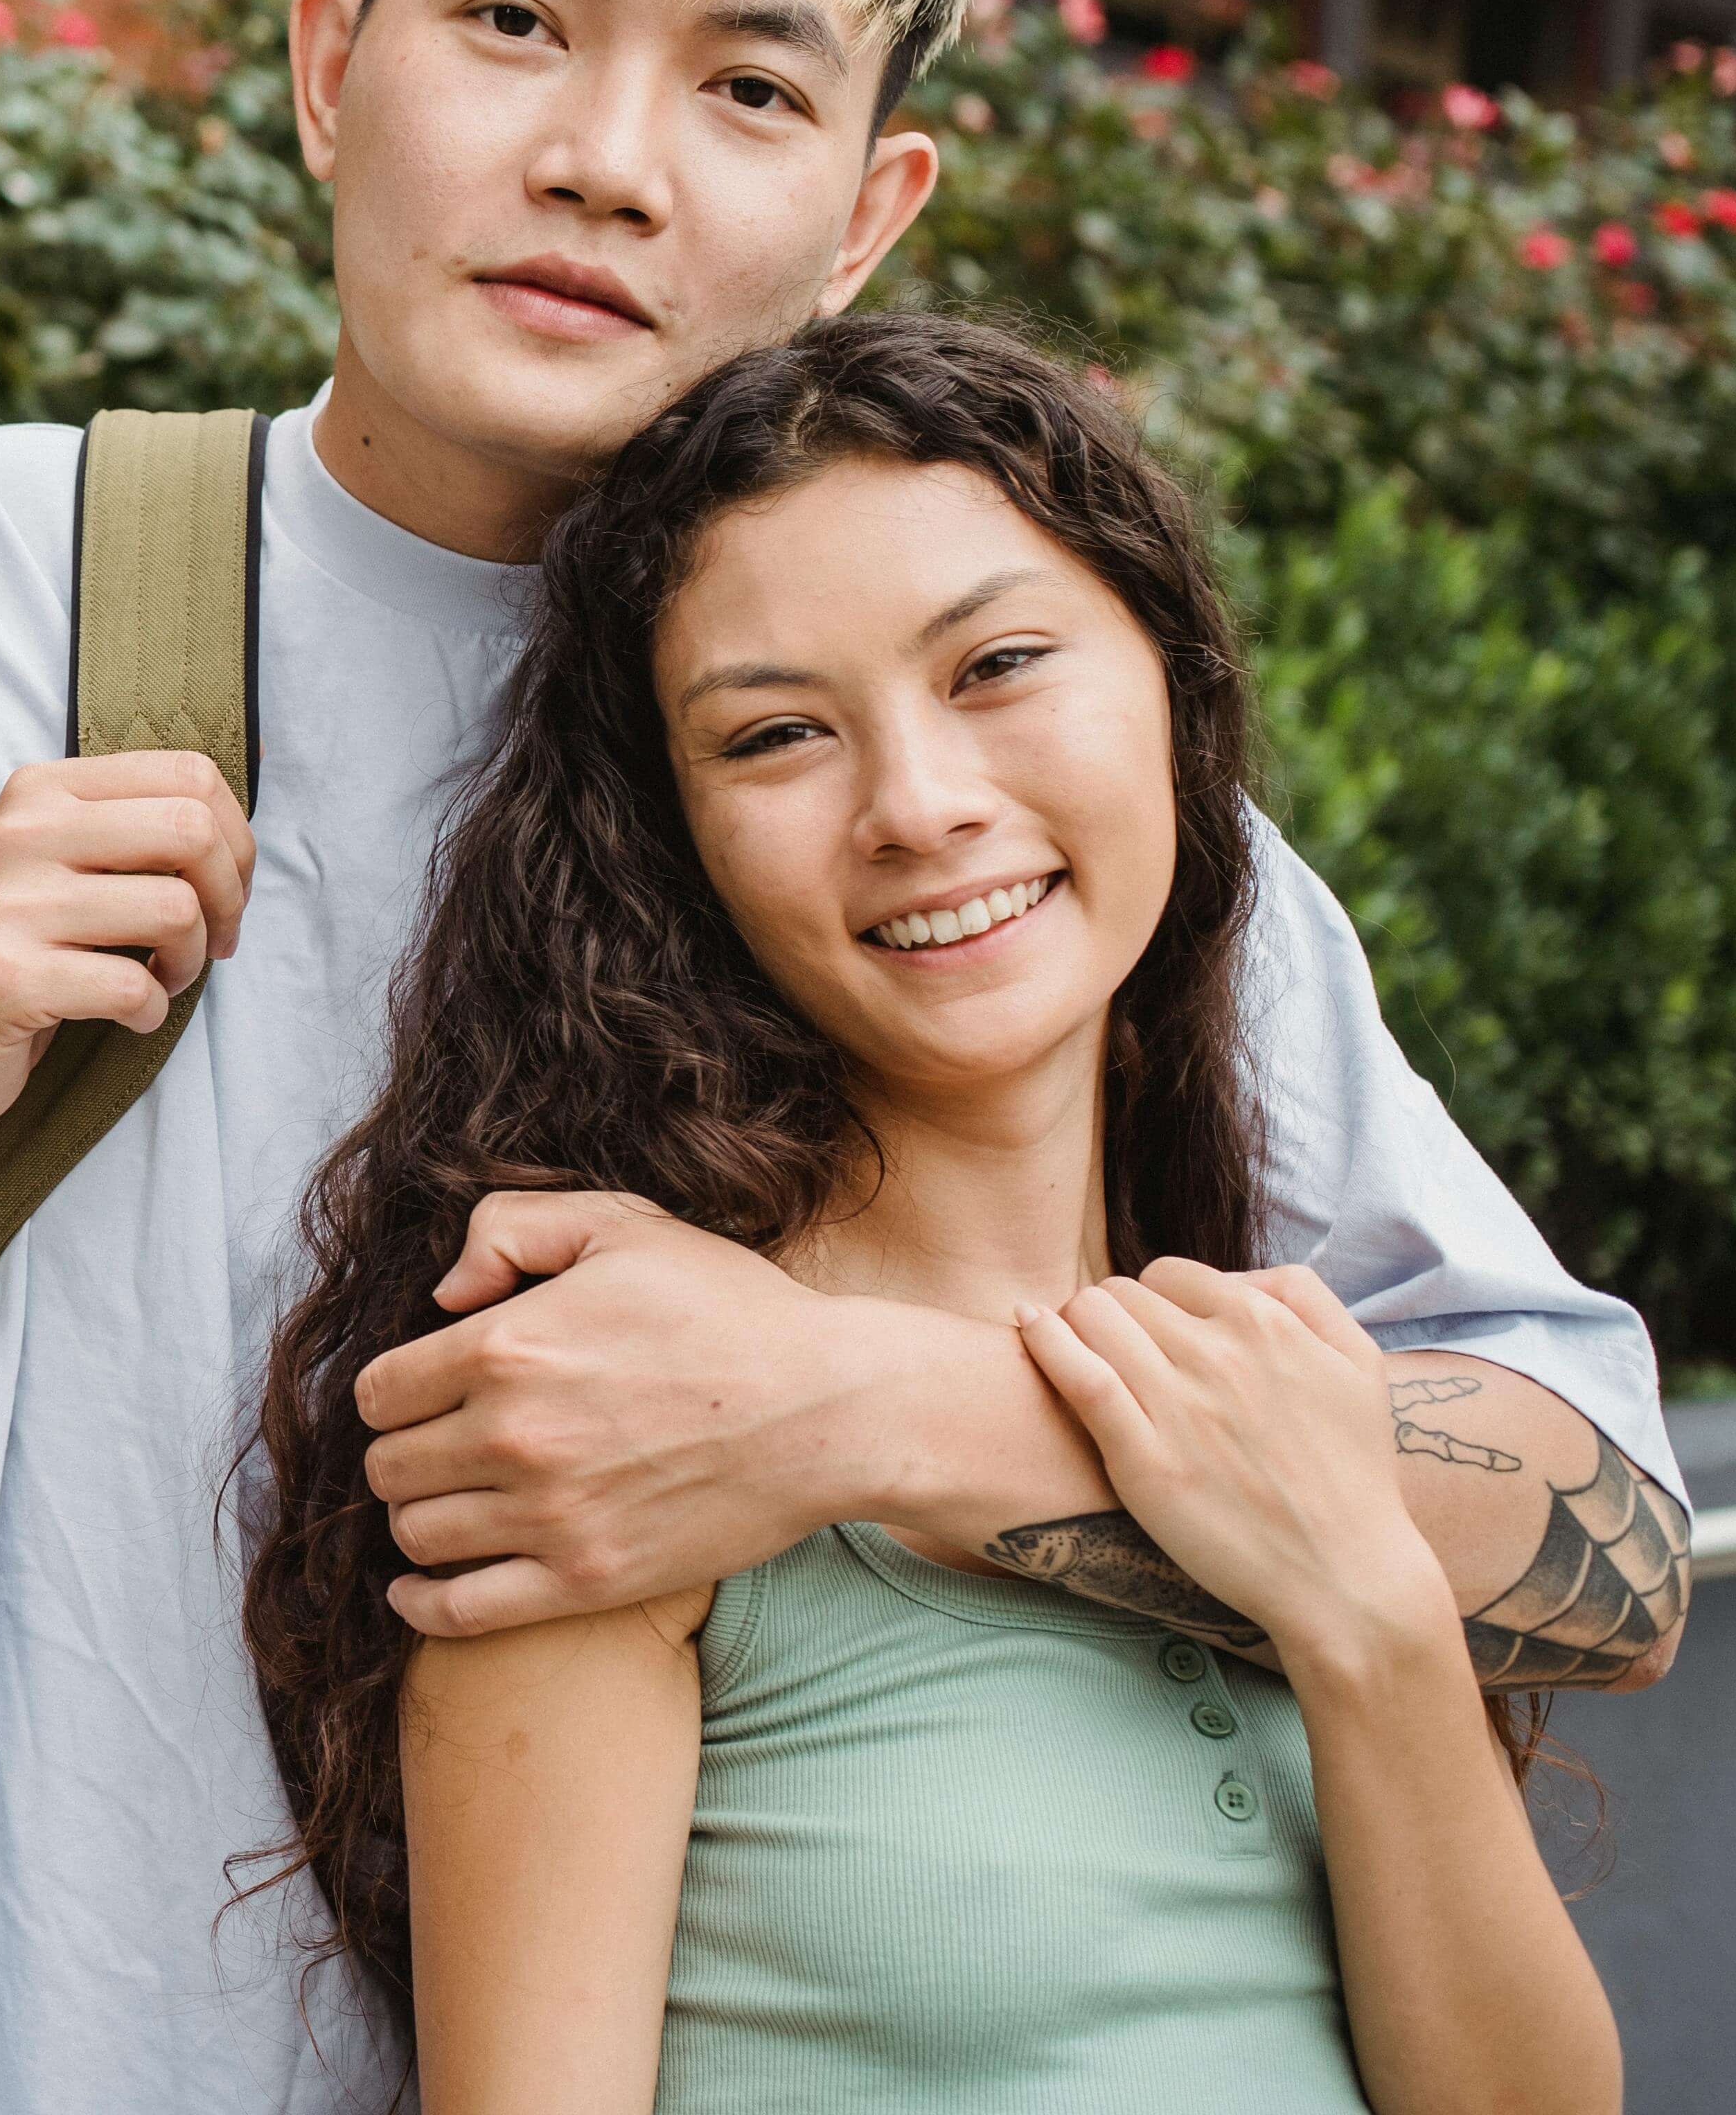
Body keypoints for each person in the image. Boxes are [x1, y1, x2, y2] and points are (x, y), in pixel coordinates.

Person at [0, 0, 1685, 2114]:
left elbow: (1608, 1523)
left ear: (865, 210)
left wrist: (852, 1407)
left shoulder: (982, 816)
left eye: (747, 83)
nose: (610, 156)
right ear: (325, 64)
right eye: (517, 19)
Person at [248, 313, 1626, 2112]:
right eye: (775, 737)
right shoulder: (614, 1442)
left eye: (998, 666)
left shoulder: (1266, 1373)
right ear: (676, 846)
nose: (918, 805)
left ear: (1171, 679)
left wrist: (1359, 1605)